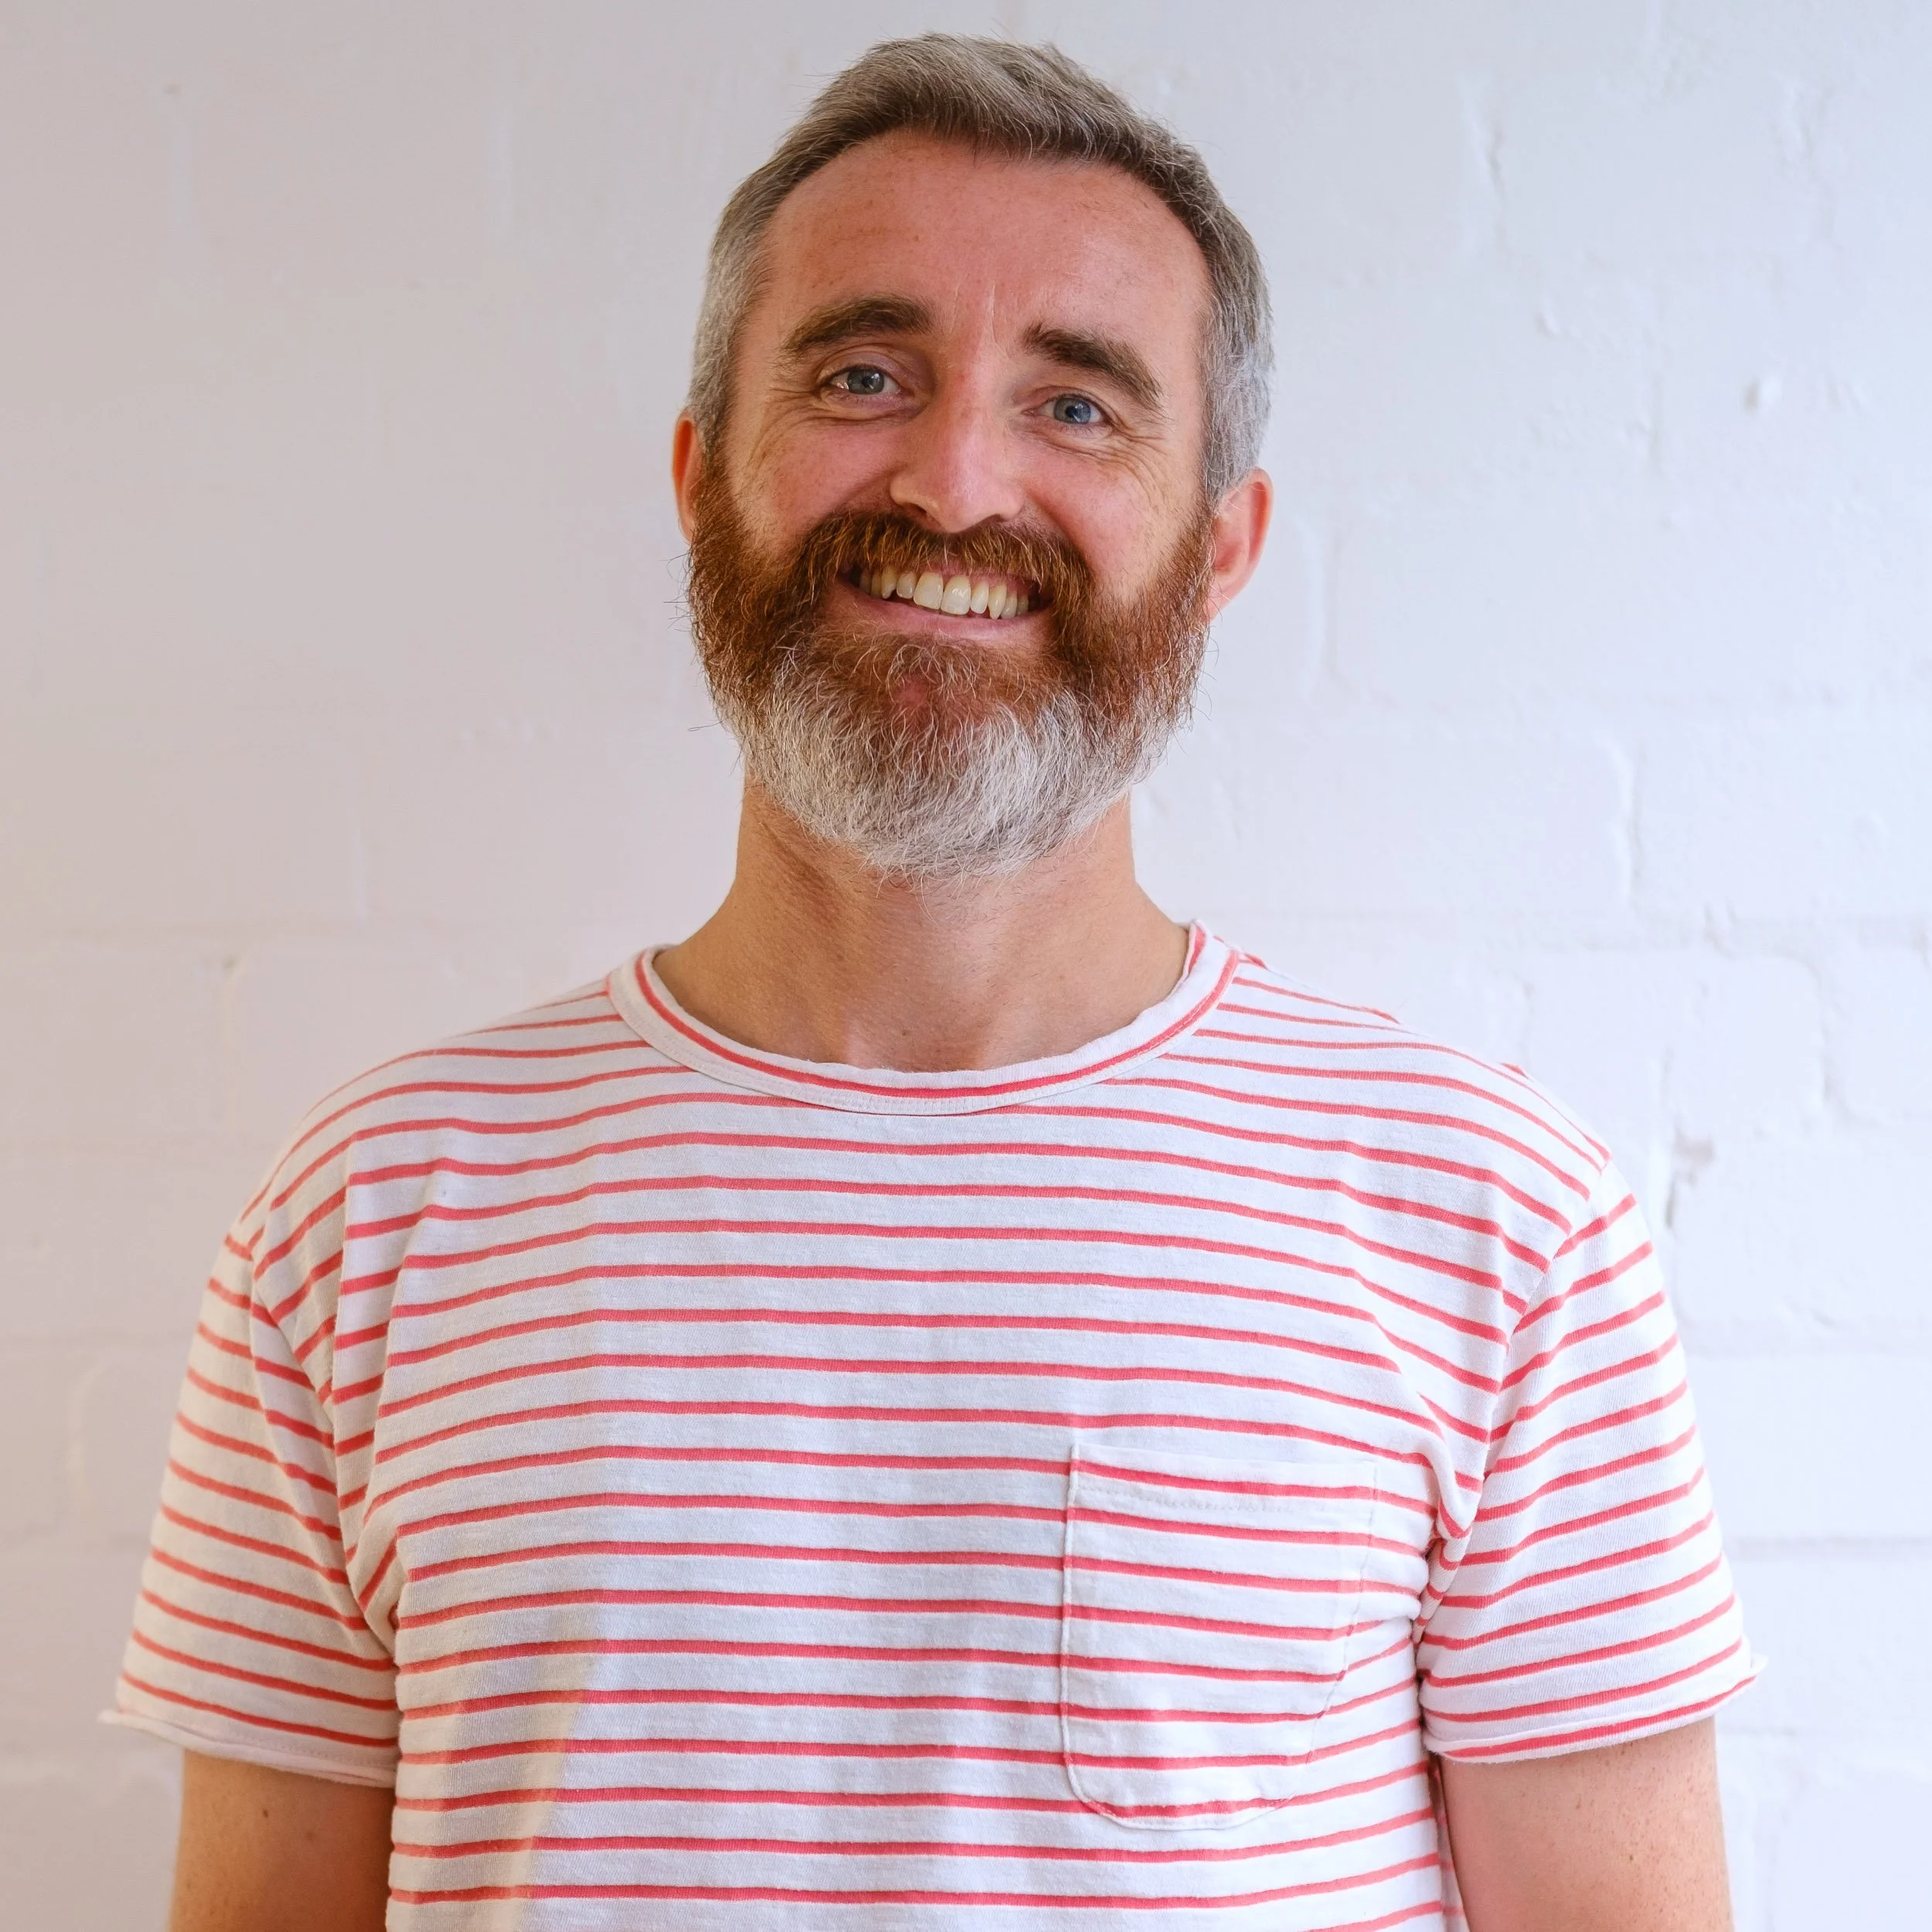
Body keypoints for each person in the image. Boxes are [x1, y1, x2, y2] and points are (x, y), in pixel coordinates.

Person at [114, 35, 1757, 1932]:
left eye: (1075, 404)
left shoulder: (1489, 1221)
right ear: (697, 477)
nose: (955, 481)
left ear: (1218, 546)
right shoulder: (369, 1209)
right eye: (862, 375)